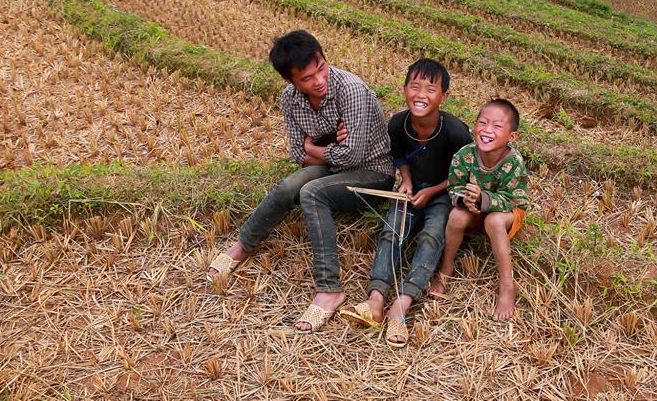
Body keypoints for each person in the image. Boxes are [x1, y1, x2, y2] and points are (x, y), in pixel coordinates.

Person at [206, 30, 394, 333]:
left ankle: (330, 289)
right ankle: (243, 245)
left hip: (372, 173)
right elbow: (298, 153)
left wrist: (314, 148)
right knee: (288, 187)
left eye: (321, 68)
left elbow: (354, 156)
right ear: (291, 81)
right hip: (334, 168)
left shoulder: (352, 90)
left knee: (312, 193)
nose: (318, 80)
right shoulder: (290, 100)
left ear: (323, 56)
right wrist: (324, 150)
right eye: (306, 78)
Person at [339, 59, 471, 347]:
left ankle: (402, 303)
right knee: (391, 230)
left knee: (432, 236)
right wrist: (408, 181)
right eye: (415, 86)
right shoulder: (398, 123)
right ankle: (375, 299)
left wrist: (434, 190)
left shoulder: (456, 132)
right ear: (404, 89)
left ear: (443, 97)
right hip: (411, 190)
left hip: (444, 193)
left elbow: (465, 172)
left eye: (430, 89)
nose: (421, 94)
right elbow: (399, 158)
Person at [428, 99, 530, 321]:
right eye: (482, 123)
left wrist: (484, 199)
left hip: (506, 212)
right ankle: (446, 269)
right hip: (476, 209)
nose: (487, 130)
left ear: (512, 137)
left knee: (493, 221)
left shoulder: (513, 162)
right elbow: (454, 187)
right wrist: (466, 201)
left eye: (497, 126)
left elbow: (514, 199)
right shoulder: (464, 156)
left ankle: (506, 286)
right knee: (456, 216)